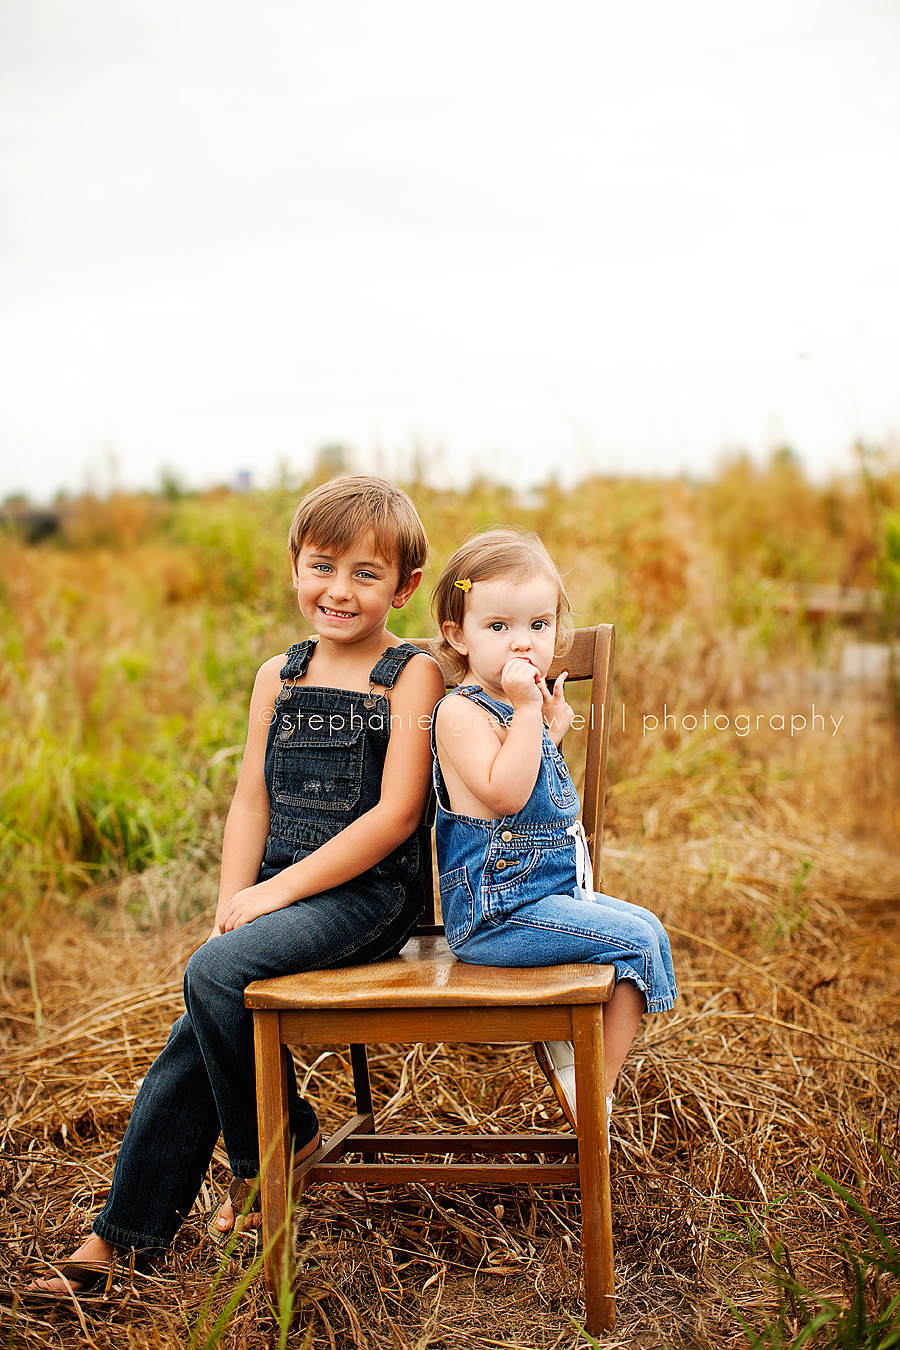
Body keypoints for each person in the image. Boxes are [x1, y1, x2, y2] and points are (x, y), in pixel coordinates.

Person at [30, 476, 446, 1295]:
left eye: (367, 574)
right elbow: (250, 799)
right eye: (322, 566)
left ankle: (271, 1159)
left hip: (369, 898)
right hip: (276, 893)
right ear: (295, 566)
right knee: (210, 990)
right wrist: (235, 900)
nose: (338, 590)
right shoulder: (278, 676)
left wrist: (274, 896)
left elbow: (397, 817)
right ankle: (122, 1240)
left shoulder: (411, 677)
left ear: (404, 588)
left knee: (212, 978)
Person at [430, 528, 676, 1138]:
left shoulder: (521, 712)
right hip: (496, 917)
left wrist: (547, 729)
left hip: (544, 901)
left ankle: (581, 1066)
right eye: (498, 627)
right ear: (458, 635)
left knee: (647, 930)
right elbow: (506, 794)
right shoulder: (458, 711)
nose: (522, 642)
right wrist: (531, 714)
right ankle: (591, 1093)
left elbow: (528, 795)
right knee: (637, 947)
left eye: (539, 625)